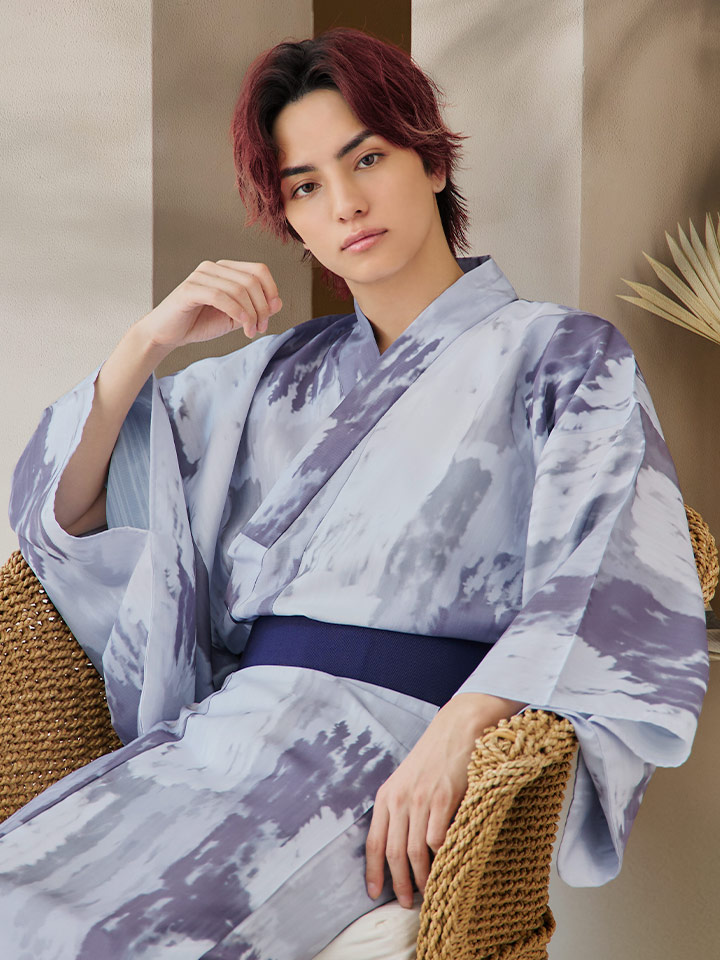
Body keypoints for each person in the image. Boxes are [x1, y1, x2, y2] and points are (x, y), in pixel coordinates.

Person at [0, 25, 708, 960]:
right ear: (289, 218)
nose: (345, 204)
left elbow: (605, 582)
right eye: (304, 186)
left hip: (374, 758)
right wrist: (146, 344)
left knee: (112, 939)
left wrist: (462, 728)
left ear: (431, 159)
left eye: (367, 158)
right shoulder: (274, 377)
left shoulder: (562, 357)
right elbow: (70, 512)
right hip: (223, 739)